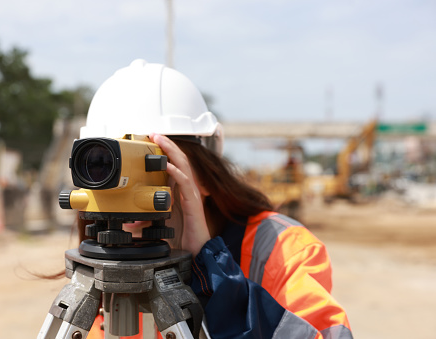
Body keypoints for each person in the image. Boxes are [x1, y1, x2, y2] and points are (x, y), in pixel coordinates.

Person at [76, 59, 352, 338]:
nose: (124, 187)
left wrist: (217, 280)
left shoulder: (281, 249)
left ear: (205, 176)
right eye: (107, 167)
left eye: (150, 164)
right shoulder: (109, 269)